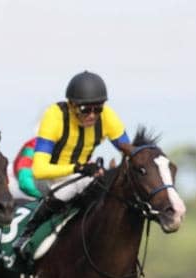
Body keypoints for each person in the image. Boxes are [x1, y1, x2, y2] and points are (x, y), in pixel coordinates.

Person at [12, 71, 131, 257]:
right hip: (48, 178)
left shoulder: (107, 116)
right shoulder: (55, 116)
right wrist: (78, 168)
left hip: (80, 176)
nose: (92, 115)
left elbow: (129, 151)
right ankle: (27, 235)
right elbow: (39, 170)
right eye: (85, 109)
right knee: (72, 187)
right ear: (71, 105)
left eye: (98, 109)